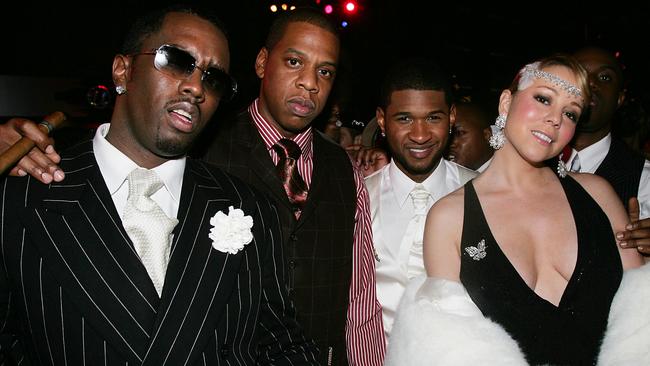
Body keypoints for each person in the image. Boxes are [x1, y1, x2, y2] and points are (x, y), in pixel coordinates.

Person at [0, 5, 319, 364]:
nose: (196, 87)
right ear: (123, 70)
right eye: (177, 61)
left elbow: (280, 343)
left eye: (213, 78)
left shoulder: (250, 208)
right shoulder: (21, 194)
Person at [385, 54, 647, 365]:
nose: (555, 119)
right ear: (507, 102)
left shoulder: (598, 195)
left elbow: (640, 321)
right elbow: (449, 350)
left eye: (571, 113)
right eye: (543, 98)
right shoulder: (450, 219)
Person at [199, 7, 383, 365]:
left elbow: (360, 300)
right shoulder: (203, 149)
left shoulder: (344, 169)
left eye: (324, 71)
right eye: (295, 62)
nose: (310, 82)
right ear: (262, 63)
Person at [364, 58, 477, 341]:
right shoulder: (357, 196)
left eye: (433, 118)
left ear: (451, 116)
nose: (420, 135)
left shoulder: (484, 192)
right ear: (382, 120)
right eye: (404, 119)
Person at [566, 46, 650, 252]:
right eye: (581, 73)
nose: (591, 82)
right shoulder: (531, 161)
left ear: (619, 99)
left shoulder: (643, 177)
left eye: (604, 78)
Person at [446, 100, 494, 172]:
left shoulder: (510, 174)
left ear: (487, 135)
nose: (450, 143)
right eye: (447, 134)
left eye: (459, 133)